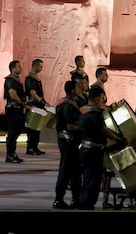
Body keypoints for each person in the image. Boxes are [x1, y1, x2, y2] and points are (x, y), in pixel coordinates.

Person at [78, 85, 129, 210]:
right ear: (96, 99)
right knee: (92, 181)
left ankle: (84, 204)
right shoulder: (95, 113)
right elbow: (104, 130)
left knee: (87, 179)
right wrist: (120, 139)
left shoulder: (82, 110)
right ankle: (87, 206)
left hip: (84, 148)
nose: (102, 101)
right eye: (101, 98)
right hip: (94, 150)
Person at [54, 80, 82, 209]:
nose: (80, 88)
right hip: (68, 141)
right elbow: (70, 126)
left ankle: (76, 199)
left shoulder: (71, 103)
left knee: (76, 171)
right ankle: (58, 199)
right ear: (72, 90)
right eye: (77, 87)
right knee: (66, 170)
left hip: (71, 141)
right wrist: (84, 127)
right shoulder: (67, 106)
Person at [4, 60, 28, 163]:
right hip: (13, 109)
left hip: (17, 109)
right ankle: (10, 155)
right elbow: (13, 95)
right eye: (19, 66)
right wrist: (22, 104)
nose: (20, 68)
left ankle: (13, 153)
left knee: (17, 131)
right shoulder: (10, 81)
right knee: (12, 132)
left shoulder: (17, 80)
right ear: (13, 68)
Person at [25, 59, 46, 155]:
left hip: (38, 105)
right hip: (33, 106)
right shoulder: (30, 79)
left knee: (37, 129)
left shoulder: (36, 78)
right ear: (35, 66)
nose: (41, 69)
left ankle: (35, 147)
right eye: (40, 67)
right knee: (32, 129)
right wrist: (41, 101)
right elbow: (32, 93)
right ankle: (30, 148)